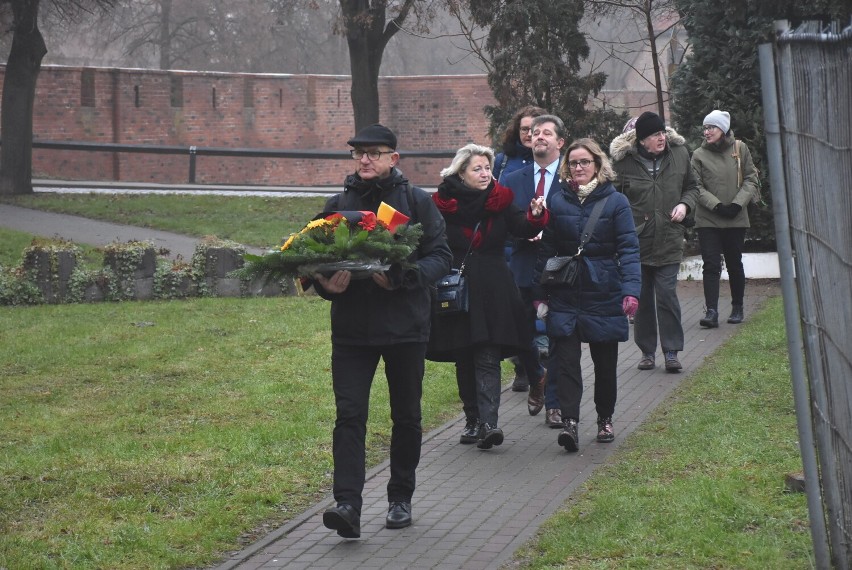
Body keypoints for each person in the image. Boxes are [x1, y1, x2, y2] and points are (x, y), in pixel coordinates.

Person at [311, 124, 452, 539]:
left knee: (406, 415)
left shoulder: (417, 202)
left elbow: (441, 257)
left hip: (406, 327)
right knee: (349, 415)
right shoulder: (338, 205)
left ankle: (399, 497)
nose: (365, 159)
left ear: (394, 158)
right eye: (359, 153)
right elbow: (314, 256)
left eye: (373, 152)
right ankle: (348, 504)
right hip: (352, 331)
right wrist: (324, 284)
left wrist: (404, 278)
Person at [427, 143, 548, 449]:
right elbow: (428, 240)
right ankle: (471, 421)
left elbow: (521, 228)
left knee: (487, 354)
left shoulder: (501, 199)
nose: (484, 174)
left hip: (494, 286)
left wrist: (535, 216)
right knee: (464, 356)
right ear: (461, 172)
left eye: (487, 168)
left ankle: (489, 424)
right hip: (458, 287)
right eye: (477, 168)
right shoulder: (442, 203)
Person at [533, 138, 640, 452]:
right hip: (565, 292)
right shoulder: (559, 199)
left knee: (605, 364)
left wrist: (631, 291)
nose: (578, 168)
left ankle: (604, 418)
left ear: (598, 165)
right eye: (573, 163)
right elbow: (546, 251)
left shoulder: (616, 202)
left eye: (585, 162)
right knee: (565, 363)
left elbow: (630, 250)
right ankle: (570, 423)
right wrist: (539, 294)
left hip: (604, 290)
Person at [610, 111, 698, 373]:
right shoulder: (624, 163)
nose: (660, 138)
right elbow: (614, 197)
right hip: (636, 241)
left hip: (670, 237)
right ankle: (647, 352)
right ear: (641, 140)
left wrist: (685, 205)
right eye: (653, 135)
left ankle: (671, 351)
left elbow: (692, 187)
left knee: (667, 296)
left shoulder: (679, 154)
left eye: (661, 133)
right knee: (643, 299)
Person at [503, 114, 566, 427]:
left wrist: (550, 232)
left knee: (558, 337)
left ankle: (555, 403)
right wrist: (523, 231)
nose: (538, 136)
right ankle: (536, 374)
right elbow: (501, 221)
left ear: (560, 142)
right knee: (518, 333)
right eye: (534, 132)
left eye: (546, 133)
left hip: (560, 270)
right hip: (524, 266)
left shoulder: (572, 178)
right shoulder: (514, 180)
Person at [492, 105, 547, 392]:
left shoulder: (552, 164)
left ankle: (542, 364)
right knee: (516, 311)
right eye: (525, 129)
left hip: (545, 249)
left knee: (541, 311)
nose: (530, 134)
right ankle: (522, 367)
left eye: (536, 129)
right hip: (513, 248)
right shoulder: (503, 162)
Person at [691, 110, 759, 327]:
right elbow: (696, 187)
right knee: (710, 264)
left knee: (734, 263)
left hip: (736, 217)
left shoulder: (740, 149)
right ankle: (711, 311)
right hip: (708, 219)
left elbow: (751, 179)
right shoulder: (698, 155)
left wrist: (737, 204)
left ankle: (737, 307)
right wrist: (717, 205)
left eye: (711, 127)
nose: (707, 131)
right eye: (705, 128)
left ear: (723, 129)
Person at [492, 105, 548, 183]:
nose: (529, 134)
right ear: (517, 130)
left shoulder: (551, 160)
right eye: (524, 129)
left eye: (534, 129)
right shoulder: (502, 160)